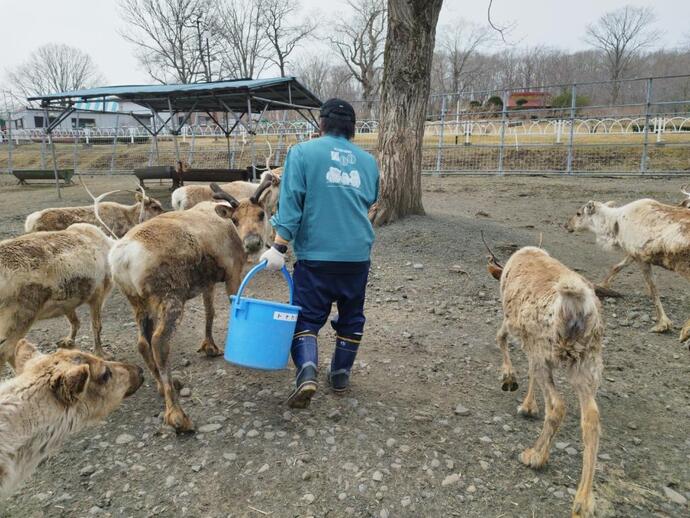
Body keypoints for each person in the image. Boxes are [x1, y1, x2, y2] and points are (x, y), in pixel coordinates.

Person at [260, 98, 379, 409]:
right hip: (357, 256)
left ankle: (308, 371)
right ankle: (340, 375)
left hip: (316, 257)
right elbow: (369, 199)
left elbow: (291, 205)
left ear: (321, 124)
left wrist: (279, 246)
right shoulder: (368, 162)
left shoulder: (302, 153)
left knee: (307, 318)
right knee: (352, 316)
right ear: (353, 129)